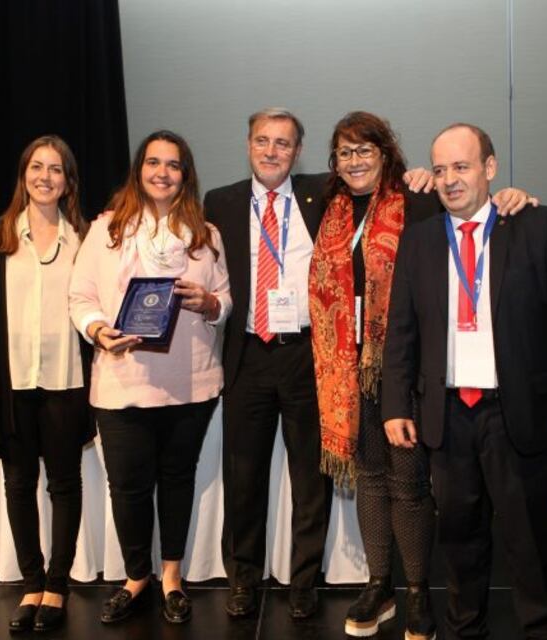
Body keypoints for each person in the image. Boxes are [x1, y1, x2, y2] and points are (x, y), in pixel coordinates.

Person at [308, 112, 535, 639]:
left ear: (387, 154)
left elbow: (475, 212)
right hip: (346, 371)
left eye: (365, 150)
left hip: (405, 367)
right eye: (345, 152)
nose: (354, 161)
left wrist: (515, 197)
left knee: (409, 484)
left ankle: (417, 592)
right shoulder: (326, 208)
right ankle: (379, 584)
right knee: (369, 477)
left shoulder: (417, 199)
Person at [382, 123, 547, 639]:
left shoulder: (537, 225)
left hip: (520, 414)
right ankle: (464, 631)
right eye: (440, 169)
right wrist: (396, 405)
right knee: (459, 542)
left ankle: (546, 631)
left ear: (490, 168)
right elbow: (402, 330)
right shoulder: (420, 240)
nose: (450, 179)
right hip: (447, 417)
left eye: (462, 166)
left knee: (531, 542)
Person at [69, 130, 231, 625]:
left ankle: (172, 578)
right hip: (122, 381)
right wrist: (99, 331)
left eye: (173, 165)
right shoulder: (106, 230)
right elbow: (81, 296)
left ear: (186, 175)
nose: (163, 172)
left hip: (190, 381)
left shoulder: (205, 235)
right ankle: (136, 576)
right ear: (139, 170)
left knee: (178, 480)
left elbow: (225, 298)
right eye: (154, 162)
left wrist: (210, 303)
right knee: (128, 487)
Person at [203, 108, 331, 619]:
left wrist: (419, 177)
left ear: (297, 151)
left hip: (305, 355)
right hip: (248, 354)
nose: (271, 151)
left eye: (282, 143)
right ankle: (243, 578)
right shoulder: (221, 202)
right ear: (248, 145)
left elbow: (382, 186)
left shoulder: (323, 194)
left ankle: (305, 581)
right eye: (262, 140)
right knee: (244, 475)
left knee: (310, 477)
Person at [0, 134, 93, 633]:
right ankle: (32, 584)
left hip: (67, 379)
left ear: (68, 181)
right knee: (18, 484)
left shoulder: (84, 237)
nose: (45, 177)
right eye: (37, 167)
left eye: (56, 169)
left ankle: (58, 586)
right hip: (11, 380)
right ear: (24, 175)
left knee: (64, 482)